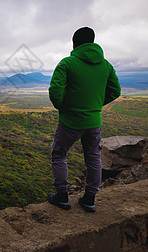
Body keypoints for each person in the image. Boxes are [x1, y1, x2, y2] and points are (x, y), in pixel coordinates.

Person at [47, 27, 121, 212]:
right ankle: (89, 198)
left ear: (74, 43)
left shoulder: (67, 63)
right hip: (94, 121)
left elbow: (55, 92)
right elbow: (115, 91)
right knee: (94, 157)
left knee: (59, 154)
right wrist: (95, 106)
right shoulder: (106, 65)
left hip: (70, 121)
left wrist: (65, 107)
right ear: (92, 42)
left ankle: (62, 196)